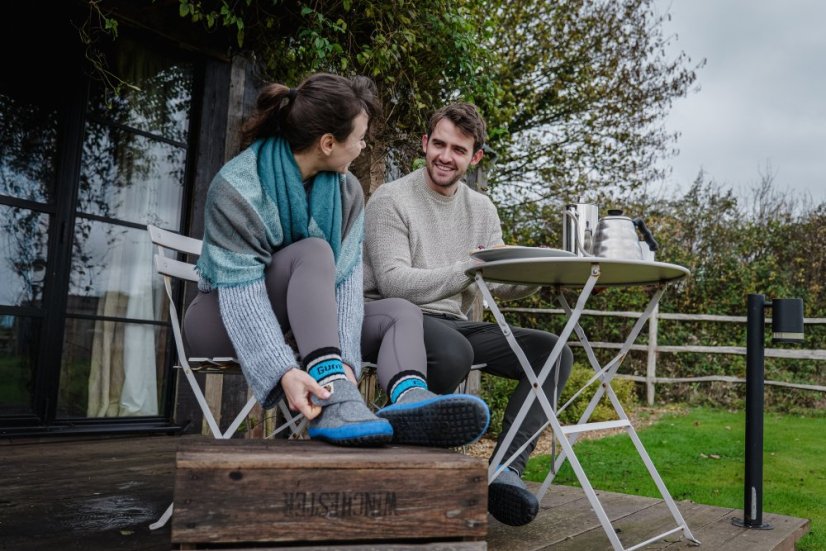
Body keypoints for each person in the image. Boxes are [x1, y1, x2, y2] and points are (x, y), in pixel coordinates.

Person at [183, 74, 488, 449]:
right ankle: (335, 394)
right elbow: (243, 297)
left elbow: (345, 286)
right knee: (313, 252)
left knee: (400, 312)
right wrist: (284, 372)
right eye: (360, 138)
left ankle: (411, 403)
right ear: (328, 143)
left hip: (309, 329)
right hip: (224, 322)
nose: (362, 147)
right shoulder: (239, 188)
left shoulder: (347, 192)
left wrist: (345, 364)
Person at [363, 102, 573, 525]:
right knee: (454, 351)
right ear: (424, 144)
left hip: (452, 323)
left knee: (552, 352)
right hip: (388, 316)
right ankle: (413, 471)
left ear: (474, 157)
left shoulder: (482, 209)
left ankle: (505, 470)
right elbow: (393, 282)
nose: (445, 155)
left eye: (458, 149)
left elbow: (493, 281)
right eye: (438, 144)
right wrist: (466, 267)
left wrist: (551, 276)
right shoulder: (390, 199)